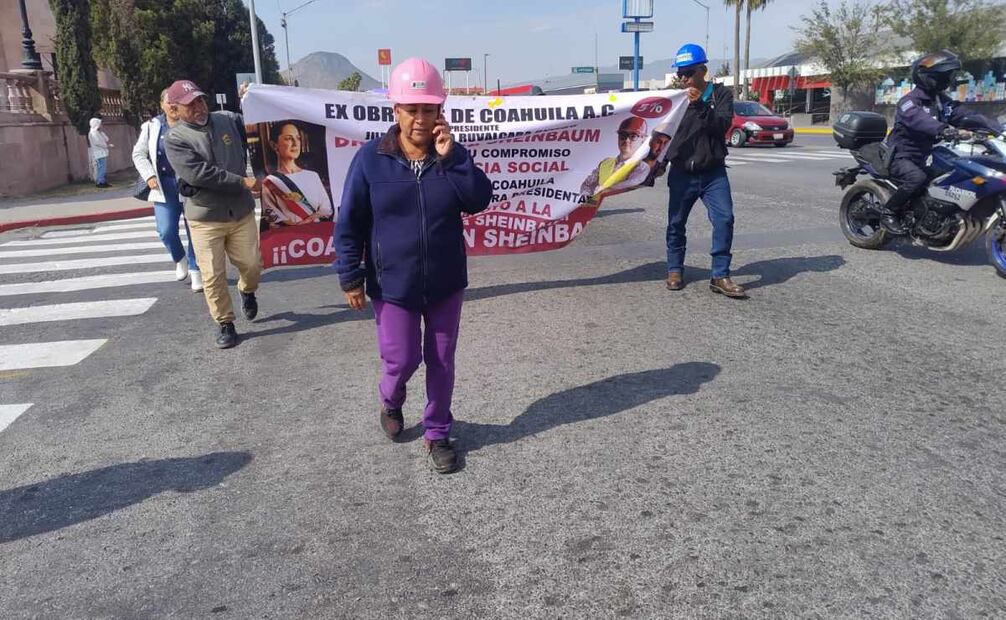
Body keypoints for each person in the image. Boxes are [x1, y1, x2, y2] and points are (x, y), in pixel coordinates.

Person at [335, 57, 493, 474]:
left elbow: (479, 199)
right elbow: (349, 221)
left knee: (441, 359)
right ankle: (391, 399)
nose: (420, 119)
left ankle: (438, 431)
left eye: (428, 109)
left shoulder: (452, 157)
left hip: (445, 281)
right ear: (396, 110)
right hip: (392, 284)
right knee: (401, 359)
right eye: (412, 109)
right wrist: (350, 276)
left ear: (440, 110)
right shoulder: (370, 160)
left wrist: (453, 158)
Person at [163, 79, 262, 349]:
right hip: (205, 217)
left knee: (252, 265)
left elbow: (258, 125)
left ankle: (247, 290)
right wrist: (243, 181)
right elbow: (200, 174)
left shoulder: (227, 120)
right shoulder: (175, 139)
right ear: (175, 109)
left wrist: (252, 99)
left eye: (200, 100)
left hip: (240, 211)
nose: (199, 107)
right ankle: (225, 323)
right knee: (213, 275)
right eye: (190, 104)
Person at [881, 50, 1001, 235]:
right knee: (917, 179)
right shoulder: (910, 102)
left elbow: (966, 115)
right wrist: (944, 130)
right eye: (944, 76)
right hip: (901, 156)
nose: (948, 80)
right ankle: (889, 212)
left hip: (924, 156)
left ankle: (937, 218)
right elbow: (919, 120)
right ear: (929, 77)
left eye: (949, 75)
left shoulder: (941, 101)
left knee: (950, 175)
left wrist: (997, 128)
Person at [661, 43, 747, 299]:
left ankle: (720, 275)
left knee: (725, 219)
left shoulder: (720, 95)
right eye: (680, 73)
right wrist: (657, 164)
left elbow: (721, 126)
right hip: (681, 173)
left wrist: (700, 105)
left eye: (688, 73)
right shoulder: (675, 100)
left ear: (702, 70)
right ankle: (674, 269)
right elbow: (664, 135)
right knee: (676, 223)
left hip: (713, 174)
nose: (684, 79)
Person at [132, 89, 202, 291]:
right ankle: (179, 257)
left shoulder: (190, 123)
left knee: (194, 230)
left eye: (176, 101)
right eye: (168, 101)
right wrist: (149, 176)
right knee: (166, 230)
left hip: (190, 185)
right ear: (162, 104)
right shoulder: (151, 126)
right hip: (164, 186)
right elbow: (138, 154)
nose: (172, 105)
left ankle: (196, 270)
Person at [261, 122, 334, 228]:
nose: (295, 144)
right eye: (289, 138)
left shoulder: (313, 176)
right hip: (288, 235)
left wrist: (308, 221)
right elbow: (272, 217)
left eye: (298, 138)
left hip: (316, 233)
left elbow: (326, 209)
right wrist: (296, 227)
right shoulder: (270, 182)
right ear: (274, 145)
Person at [580, 116, 651, 198]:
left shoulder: (641, 167)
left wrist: (603, 191)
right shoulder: (606, 162)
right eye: (623, 135)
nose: (627, 140)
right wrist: (588, 198)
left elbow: (628, 186)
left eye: (633, 136)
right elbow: (587, 185)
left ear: (643, 141)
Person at [88, 118, 113, 188]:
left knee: (102, 168)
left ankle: (102, 181)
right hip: (99, 153)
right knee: (102, 168)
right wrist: (107, 146)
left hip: (101, 152)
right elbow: (98, 143)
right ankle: (100, 182)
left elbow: (106, 139)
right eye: (99, 124)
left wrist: (101, 132)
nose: (101, 125)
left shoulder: (97, 132)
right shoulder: (93, 133)